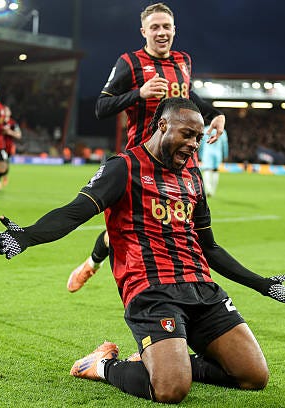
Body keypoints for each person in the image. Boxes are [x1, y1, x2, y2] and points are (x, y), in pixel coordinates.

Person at [0, 98, 285, 403]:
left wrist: (263, 285)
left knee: (254, 376)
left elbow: (209, 246)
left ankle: (167, 357)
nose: (194, 144)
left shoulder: (192, 177)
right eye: (187, 134)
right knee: (171, 390)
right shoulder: (123, 168)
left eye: (198, 137)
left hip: (202, 290)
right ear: (162, 126)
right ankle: (101, 365)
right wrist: (28, 236)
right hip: (152, 292)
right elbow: (74, 212)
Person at [67, 2, 226, 293]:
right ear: (144, 31)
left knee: (184, 226)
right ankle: (94, 264)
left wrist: (214, 114)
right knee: (128, 227)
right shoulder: (130, 62)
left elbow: (188, 95)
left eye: (166, 26)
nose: (161, 32)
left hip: (182, 161)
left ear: (174, 30)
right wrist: (137, 94)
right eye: (155, 27)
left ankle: (193, 293)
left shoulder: (183, 61)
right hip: (142, 162)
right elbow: (102, 106)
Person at [198, 124, 229, 197]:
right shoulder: (222, 131)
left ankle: (208, 189)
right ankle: (213, 190)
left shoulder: (206, 130)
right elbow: (225, 144)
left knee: (207, 170)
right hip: (218, 153)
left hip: (207, 152)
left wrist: (200, 153)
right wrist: (225, 154)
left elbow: (201, 143)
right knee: (215, 170)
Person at [0, 106, 22, 190]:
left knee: (5, 163)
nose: (5, 112)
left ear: (10, 113)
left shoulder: (13, 123)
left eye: (7, 111)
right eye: (4, 111)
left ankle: (4, 175)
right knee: (0, 161)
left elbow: (19, 135)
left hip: (8, 146)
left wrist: (9, 132)